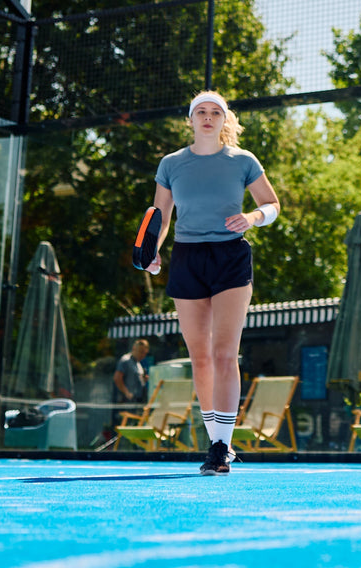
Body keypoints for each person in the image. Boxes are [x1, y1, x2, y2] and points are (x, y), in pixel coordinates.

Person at [138, 91, 281, 475]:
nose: (207, 117)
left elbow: (273, 204)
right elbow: (161, 217)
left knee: (223, 354)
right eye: (200, 111)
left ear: (224, 119)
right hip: (187, 259)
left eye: (215, 112)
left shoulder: (243, 161)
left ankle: (222, 446)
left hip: (231, 257)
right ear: (191, 119)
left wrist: (253, 218)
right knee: (199, 357)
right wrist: (153, 251)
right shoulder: (171, 164)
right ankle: (214, 439)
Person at [114, 338, 150, 418]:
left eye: (145, 353)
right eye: (141, 352)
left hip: (137, 402)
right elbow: (117, 378)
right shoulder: (125, 360)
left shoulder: (138, 363)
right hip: (127, 402)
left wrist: (143, 379)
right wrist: (127, 393)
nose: (142, 355)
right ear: (134, 348)